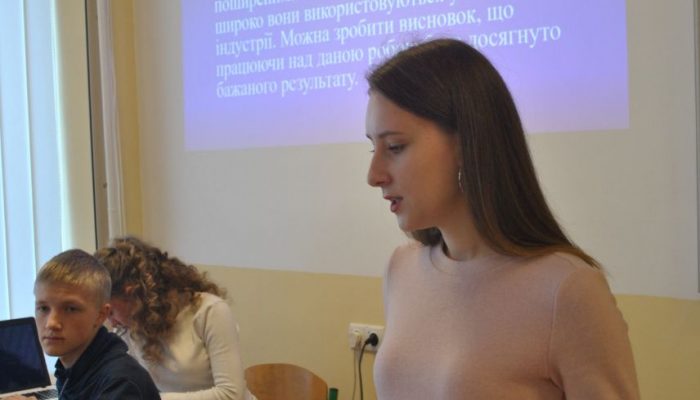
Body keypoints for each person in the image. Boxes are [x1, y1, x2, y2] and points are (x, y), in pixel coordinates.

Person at [365, 38, 640, 399]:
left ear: (465, 144)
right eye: (373, 148)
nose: (374, 175)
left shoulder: (567, 291)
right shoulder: (401, 269)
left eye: (395, 147)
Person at [94, 236, 255, 400]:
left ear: (132, 293)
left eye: (111, 312)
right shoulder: (129, 328)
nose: (111, 323)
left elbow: (231, 394)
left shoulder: (210, 311)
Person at [7, 249, 161, 400]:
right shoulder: (71, 370)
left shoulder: (120, 382)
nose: (51, 323)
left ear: (101, 315)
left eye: (70, 309)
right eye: (43, 308)